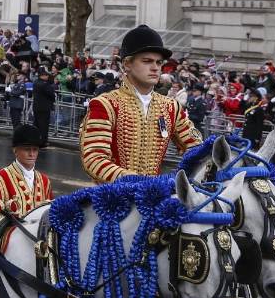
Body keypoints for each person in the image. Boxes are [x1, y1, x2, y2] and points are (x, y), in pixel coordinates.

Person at [79, 25, 201, 183]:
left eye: (159, 63)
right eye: (147, 61)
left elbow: (196, 146)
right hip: (111, 200)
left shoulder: (171, 107)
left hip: (154, 198)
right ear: (127, 64)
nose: (155, 68)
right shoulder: (105, 105)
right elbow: (94, 158)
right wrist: (131, 180)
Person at [0, 124, 53, 219]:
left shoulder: (45, 181)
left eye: (35, 149)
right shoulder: (0, 180)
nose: (32, 154)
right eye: (27, 149)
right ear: (15, 150)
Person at [32, 70, 56, 147]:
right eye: (46, 75)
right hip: (44, 108)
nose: (47, 77)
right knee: (44, 126)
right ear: (42, 76)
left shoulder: (36, 82)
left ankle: (34, 139)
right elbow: (51, 94)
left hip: (36, 107)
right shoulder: (44, 85)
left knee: (36, 124)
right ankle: (43, 141)